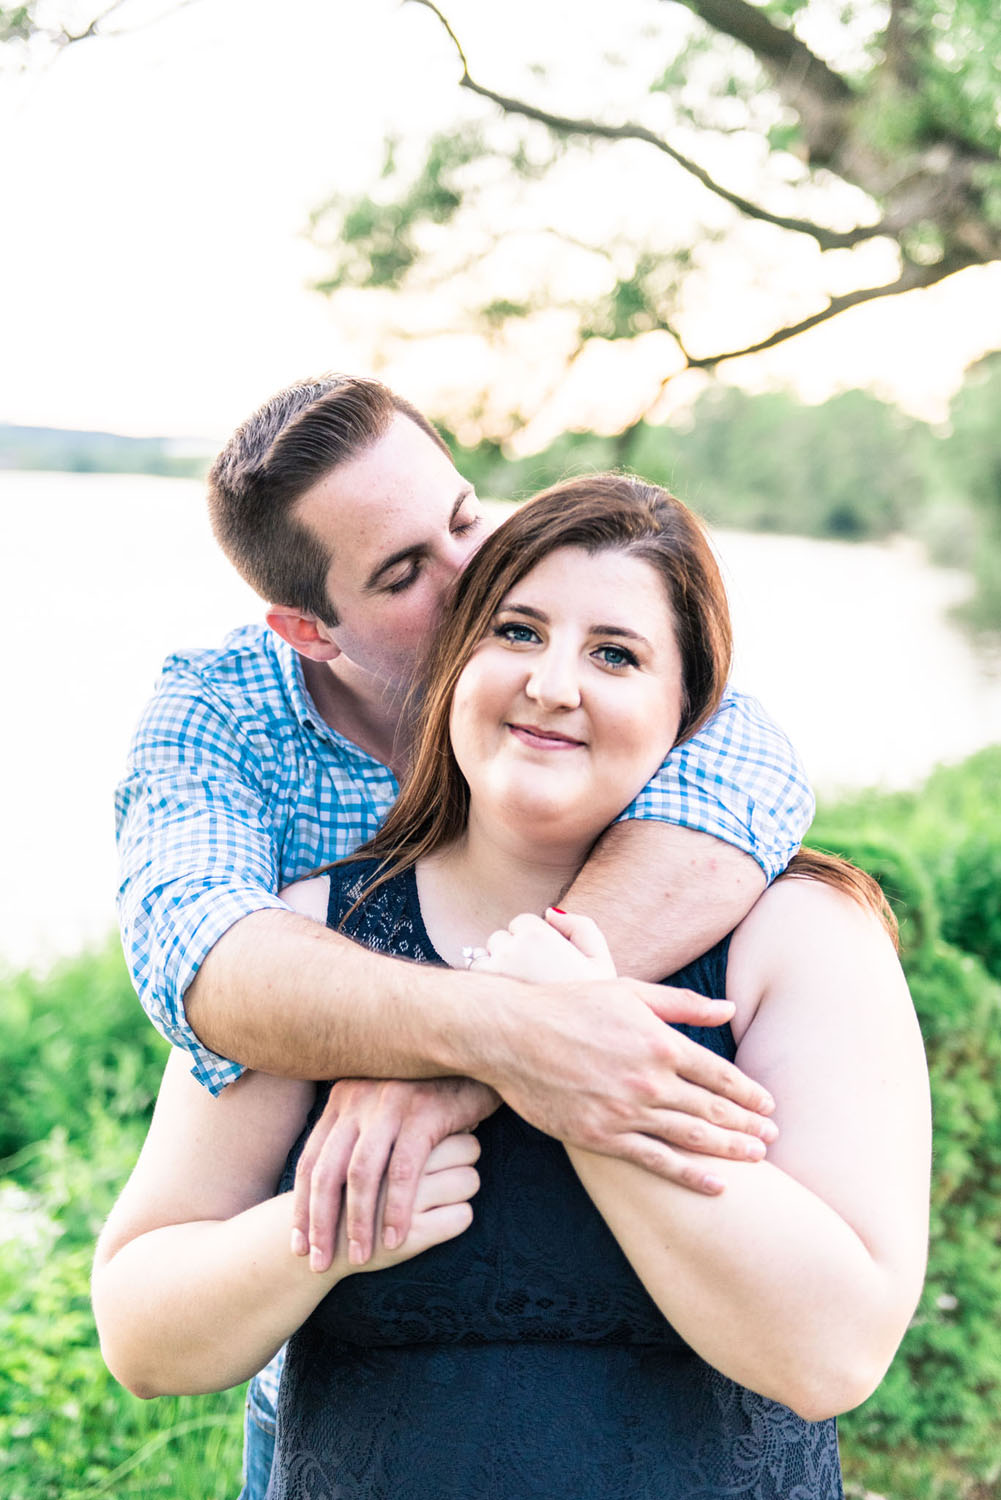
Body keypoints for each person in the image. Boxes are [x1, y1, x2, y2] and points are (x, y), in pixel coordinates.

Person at [95, 475, 930, 1500]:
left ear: (691, 709)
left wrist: (581, 1079)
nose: (552, 684)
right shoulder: (321, 943)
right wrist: (334, 1227)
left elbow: (833, 1356)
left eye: (614, 655)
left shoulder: (800, 937)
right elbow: (141, 1335)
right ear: (451, 667)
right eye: (516, 632)